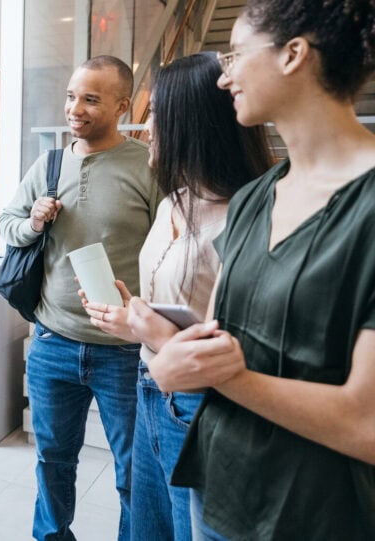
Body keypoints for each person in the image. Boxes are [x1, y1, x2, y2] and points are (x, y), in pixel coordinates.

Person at [125, 1, 375, 539]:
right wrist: (175, 353)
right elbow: (213, 342)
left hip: (318, 511)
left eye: (236, 55)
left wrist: (213, 372)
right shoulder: (254, 200)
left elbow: (366, 422)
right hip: (218, 486)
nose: (225, 77)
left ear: (293, 55)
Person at [77, 54, 271, 540]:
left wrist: (159, 335)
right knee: (148, 528)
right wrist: (130, 319)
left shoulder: (249, 220)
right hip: (150, 388)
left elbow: (247, 350)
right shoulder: (171, 201)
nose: (146, 127)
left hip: (204, 407)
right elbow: (168, 299)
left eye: (157, 113)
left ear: (191, 121)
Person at [0, 56, 160, 540]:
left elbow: (171, 247)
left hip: (126, 352)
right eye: (72, 96)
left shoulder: (147, 167)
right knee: (52, 463)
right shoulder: (48, 163)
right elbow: (9, 225)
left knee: (135, 474)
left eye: (91, 99)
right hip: (53, 342)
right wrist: (32, 223)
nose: (76, 108)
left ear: (121, 105)